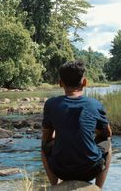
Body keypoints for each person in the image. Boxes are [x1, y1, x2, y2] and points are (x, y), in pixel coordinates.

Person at [41, 60, 112, 189]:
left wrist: (59, 134)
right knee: (108, 143)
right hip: (90, 170)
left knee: (43, 146)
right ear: (84, 82)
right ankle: (98, 188)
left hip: (59, 169)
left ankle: (55, 186)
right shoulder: (94, 104)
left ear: (60, 83)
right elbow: (107, 133)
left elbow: (46, 138)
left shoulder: (51, 104)